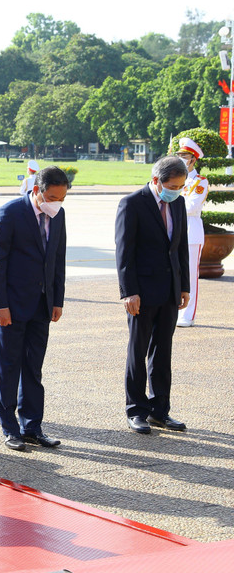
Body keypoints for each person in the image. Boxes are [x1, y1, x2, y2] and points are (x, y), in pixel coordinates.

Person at [0, 166, 68, 451]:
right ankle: (10, 427)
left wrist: (57, 299)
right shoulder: (9, 213)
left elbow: (58, 259)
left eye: (62, 197)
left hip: (42, 305)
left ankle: (32, 426)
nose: (56, 202)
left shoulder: (58, 215)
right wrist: (0, 304)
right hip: (11, 304)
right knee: (8, 367)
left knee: (33, 368)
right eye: (52, 196)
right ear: (36, 191)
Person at [115, 156, 190, 434]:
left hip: (170, 290)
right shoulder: (132, 204)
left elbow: (180, 247)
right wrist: (129, 291)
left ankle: (160, 410)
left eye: (181, 186)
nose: (177, 191)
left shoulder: (178, 203)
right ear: (157, 181)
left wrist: (184, 287)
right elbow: (124, 252)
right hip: (141, 293)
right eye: (172, 185)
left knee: (163, 351)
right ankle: (136, 410)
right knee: (138, 351)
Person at [175, 138, 208, 327]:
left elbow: (191, 206)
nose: (180, 159)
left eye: (184, 156)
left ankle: (188, 315)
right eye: (178, 155)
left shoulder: (199, 182)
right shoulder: (174, 177)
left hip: (191, 233)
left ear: (193, 160)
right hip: (175, 231)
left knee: (190, 276)